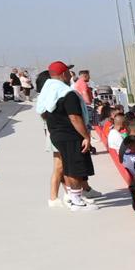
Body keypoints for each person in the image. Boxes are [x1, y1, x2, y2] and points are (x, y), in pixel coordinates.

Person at [37, 62, 95, 210]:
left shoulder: (49, 92)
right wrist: (86, 136)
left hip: (57, 134)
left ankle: (73, 197)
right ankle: (76, 202)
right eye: (69, 73)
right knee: (74, 168)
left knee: (68, 166)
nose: (71, 76)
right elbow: (75, 118)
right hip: (70, 135)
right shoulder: (67, 94)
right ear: (63, 74)